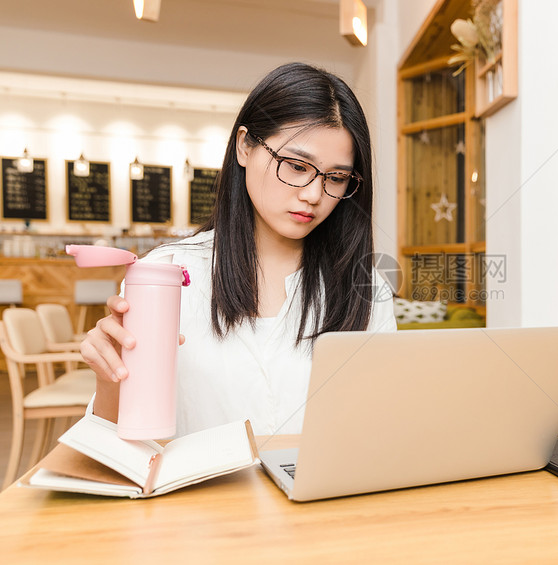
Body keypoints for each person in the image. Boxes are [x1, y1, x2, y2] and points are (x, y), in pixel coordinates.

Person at [80, 63, 397, 436]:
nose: (313, 195)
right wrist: (110, 377)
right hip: (201, 494)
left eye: (337, 178)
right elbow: (119, 442)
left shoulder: (365, 287)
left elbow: (380, 427)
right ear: (245, 146)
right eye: (296, 166)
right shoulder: (167, 274)